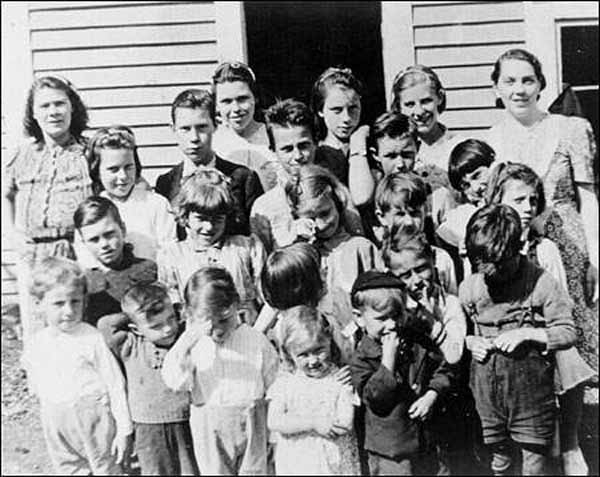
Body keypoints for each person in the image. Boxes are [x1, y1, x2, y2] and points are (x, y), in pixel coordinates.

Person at [485, 48, 598, 372]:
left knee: (579, 338)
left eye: (527, 80)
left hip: (570, 247)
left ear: (540, 84)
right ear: (496, 88)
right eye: (509, 81)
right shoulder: (493, 137)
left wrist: (596, 261)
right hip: (520, 249)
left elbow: (588, 199)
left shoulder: (570, 128)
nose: (519, 89)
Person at [486, 162, 596, 475]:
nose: (527, 207)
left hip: (540, 332)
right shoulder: (486, 245)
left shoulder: (543, 248)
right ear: (497, 200)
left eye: (533, 200)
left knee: (568, 357)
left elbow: (560, 307)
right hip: (498, 333)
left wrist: (534, 332)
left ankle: (571, 443)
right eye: (518, 200)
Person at [460, 204, 577, 475]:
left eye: (498, 265)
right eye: (482, 264)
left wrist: (528, 334)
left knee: (533, 465)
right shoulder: (472, 287)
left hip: (530, 396)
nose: (489, 273)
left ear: (518, 247)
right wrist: (471, 342)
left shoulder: (541, 282)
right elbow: (459, 333)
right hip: (487, 398)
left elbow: (567, 331)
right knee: (498, 463)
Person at [3, 75, 93, 351]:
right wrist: (13, 235)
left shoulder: (88, 152)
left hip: (74, 251)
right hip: (33, 255)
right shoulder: (21, 154)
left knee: (74, 326)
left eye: (60, 103)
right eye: (44, 106)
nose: (53, 112)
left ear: (72, 108)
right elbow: (4, 195)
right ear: (33, 113)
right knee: (39, 330)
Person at [161, 267, 279, 475]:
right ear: (189, 313)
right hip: (209, 423)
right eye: (207, 322)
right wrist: (186, 342)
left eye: (224, 319)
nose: (218, 329)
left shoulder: (255, 340)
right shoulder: (193, 345)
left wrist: (274, 433)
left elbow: (274, 385)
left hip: (252, 420)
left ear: (236, 305)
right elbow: (175, 381)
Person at [22, 257, 132, 475]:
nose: (69, 311)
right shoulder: (37, 343)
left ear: (84, 301)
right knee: (69, 469)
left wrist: (124, 428)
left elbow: (114, 383)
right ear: (39, 304)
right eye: (58, 303)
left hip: (93, 417)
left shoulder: (90, 338)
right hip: (56, 419)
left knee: (106, 468)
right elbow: (33, 376)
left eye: (75, 301)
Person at [350, 270, 455, 475]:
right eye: (381, 318)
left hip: (427, 445)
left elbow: (444, 367)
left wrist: (432, 394)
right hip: (392, 454)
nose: (391, 325)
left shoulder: (415, 340)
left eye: (396, 316)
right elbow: (376, 399)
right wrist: (387, 362)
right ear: (359, 318)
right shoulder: (362, 358)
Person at [97, 283, 198, 476]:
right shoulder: (130, 344)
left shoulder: (183, 338)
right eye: (156, 326)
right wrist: (134, 314)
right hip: (148, 427)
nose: (168, 329)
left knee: (190, 471)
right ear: (135, 328)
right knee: (156, 471)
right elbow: (105, 325)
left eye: (171, 319)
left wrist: (172, 308)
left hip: (186, 421)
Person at [250, 98, 363, 253]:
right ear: (273, 150)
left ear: (315, 142)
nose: (297, 156)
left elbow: (358, 241)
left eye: (303, 146)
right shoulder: (265, 207)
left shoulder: (336, 191)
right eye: (287, 149)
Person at [157, 168, 266, 325]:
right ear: (185, 216)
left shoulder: (246, 248)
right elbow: (174, 309)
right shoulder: (172, 255)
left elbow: (266, 298)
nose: (208, 227)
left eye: (217, 219)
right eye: (201, 218)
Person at [155, 88, 263, 239]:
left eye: (202, 127)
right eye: (185, 129)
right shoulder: (165, 183)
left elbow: (256, 238)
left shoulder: (243, 178)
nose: (194, 138)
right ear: (173, 129)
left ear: (215, 125)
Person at [266, 305, 360, 475]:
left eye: (319, 351)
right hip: (299, 463)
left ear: (329, 343)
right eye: (303, 355)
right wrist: (312, 423)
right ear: (289, 354)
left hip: (331, 463)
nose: (313, 361)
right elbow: (274, 420)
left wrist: (331, 421)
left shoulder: (339, 379)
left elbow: (346, 421)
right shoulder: (285, 383)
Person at [284, 164, 381, 295]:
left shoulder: (359, 248)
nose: (321, 225)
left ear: (337, 202)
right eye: (311, 219)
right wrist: (299, 245)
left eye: (325, 214)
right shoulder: (303, 257)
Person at [255, 242, 357, 366]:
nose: (325, 271)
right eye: (318, 271)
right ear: (302, 287)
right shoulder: (285, 321)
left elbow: (350, 346)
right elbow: (255, 335)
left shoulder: (335, 300)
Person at [86, 125, 176, 262]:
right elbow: (86, 258)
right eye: (113, 169)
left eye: (128, 167)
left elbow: (170, 252)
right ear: (97, 171)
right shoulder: (92, 210)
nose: (122, 176)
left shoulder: (156, 204)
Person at [73, 196, 157, 325]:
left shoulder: (147, 270)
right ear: (84, 242)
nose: (104, 244)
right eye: (94, 239)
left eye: (109, 234)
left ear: (123, 229)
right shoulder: (84, 282)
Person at [375, 172, 457, 295]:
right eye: (400, 215)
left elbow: (452, 299)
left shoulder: (441, 258)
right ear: (382, 217)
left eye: (415, 214)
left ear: (425, 211)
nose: (409, 222)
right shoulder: (378, 262)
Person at [390, 64, 464, 194]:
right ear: (399, 106)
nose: (418, 111)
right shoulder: (395, 150)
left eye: (426, 101)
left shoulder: (458, 146)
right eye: (410, 104)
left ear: (439, 97)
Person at [311, 66, 375, 207]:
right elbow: (360, 198)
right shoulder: (317, 154)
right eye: (337, 110)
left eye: (353, 108)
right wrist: (357, 142)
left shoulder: (372, 145)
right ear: (320, 110)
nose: (346, 118)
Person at [211, 61, 279, 191]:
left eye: (242, 99)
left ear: (255, 98)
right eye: (226, 101)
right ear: (217, 105)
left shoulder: (274, 133)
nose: (236, 108)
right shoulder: (213, 142)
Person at [436, 139, 496, 279]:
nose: (475, 188)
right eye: (466, 186)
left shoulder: (516, 199)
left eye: (477, 175)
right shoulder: (464, 216)